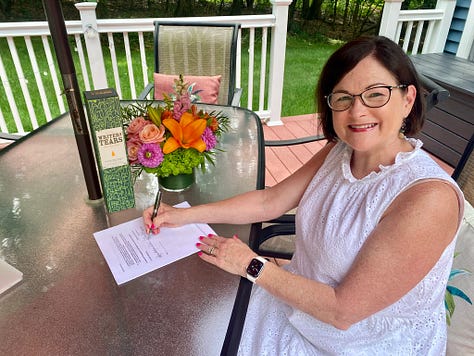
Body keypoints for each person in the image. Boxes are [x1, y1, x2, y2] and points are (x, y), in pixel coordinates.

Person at [143, 36, 464, 354]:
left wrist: (251, 265)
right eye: (343, 98)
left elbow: (343, 312)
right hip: (296, 301)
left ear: (408, 99)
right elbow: (271, 201)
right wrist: (183, 215)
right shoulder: (340, 151)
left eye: (375, 95)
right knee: (195, 328)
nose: (357, 112)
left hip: (357, 342)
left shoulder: (428, 199)